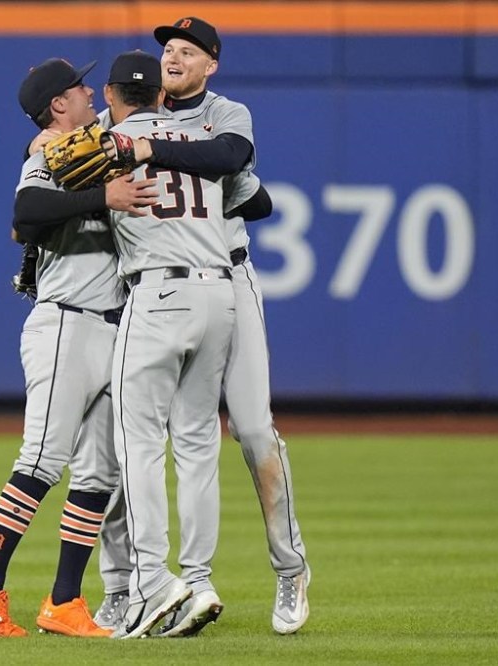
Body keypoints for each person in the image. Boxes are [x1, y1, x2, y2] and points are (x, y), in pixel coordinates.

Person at [93, 17, 311, 637]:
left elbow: (236, 164)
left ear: (209, 64)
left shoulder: (225, 113)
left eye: (187, 51)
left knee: (251, 431)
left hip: (229, 276)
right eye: (168, 49)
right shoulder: (132, 123)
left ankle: (289, 566)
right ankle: (184, 581)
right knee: (187, 437)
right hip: (192, 285)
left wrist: (151, 151)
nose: (174, 57)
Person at [0, 57, 156, 638]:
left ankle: (65, 602)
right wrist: (101, 197)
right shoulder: (46, 153)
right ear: (57, 106)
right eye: (78, 88)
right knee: (40, 460)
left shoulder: (93, 148)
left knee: (98, 472)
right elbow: (26, 212)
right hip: (66, 324)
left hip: (114, 327)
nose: (90, 91)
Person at [101, 49, 237, 639]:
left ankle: (153, 585)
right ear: (160, 94)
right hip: (218, 296)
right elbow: (249, 192)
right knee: (199, 446)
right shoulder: (195, 135)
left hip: (158, 295)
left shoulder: (108, 142)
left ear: (111, 97)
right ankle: (199, 580)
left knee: (138, 446)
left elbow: (42, 191)